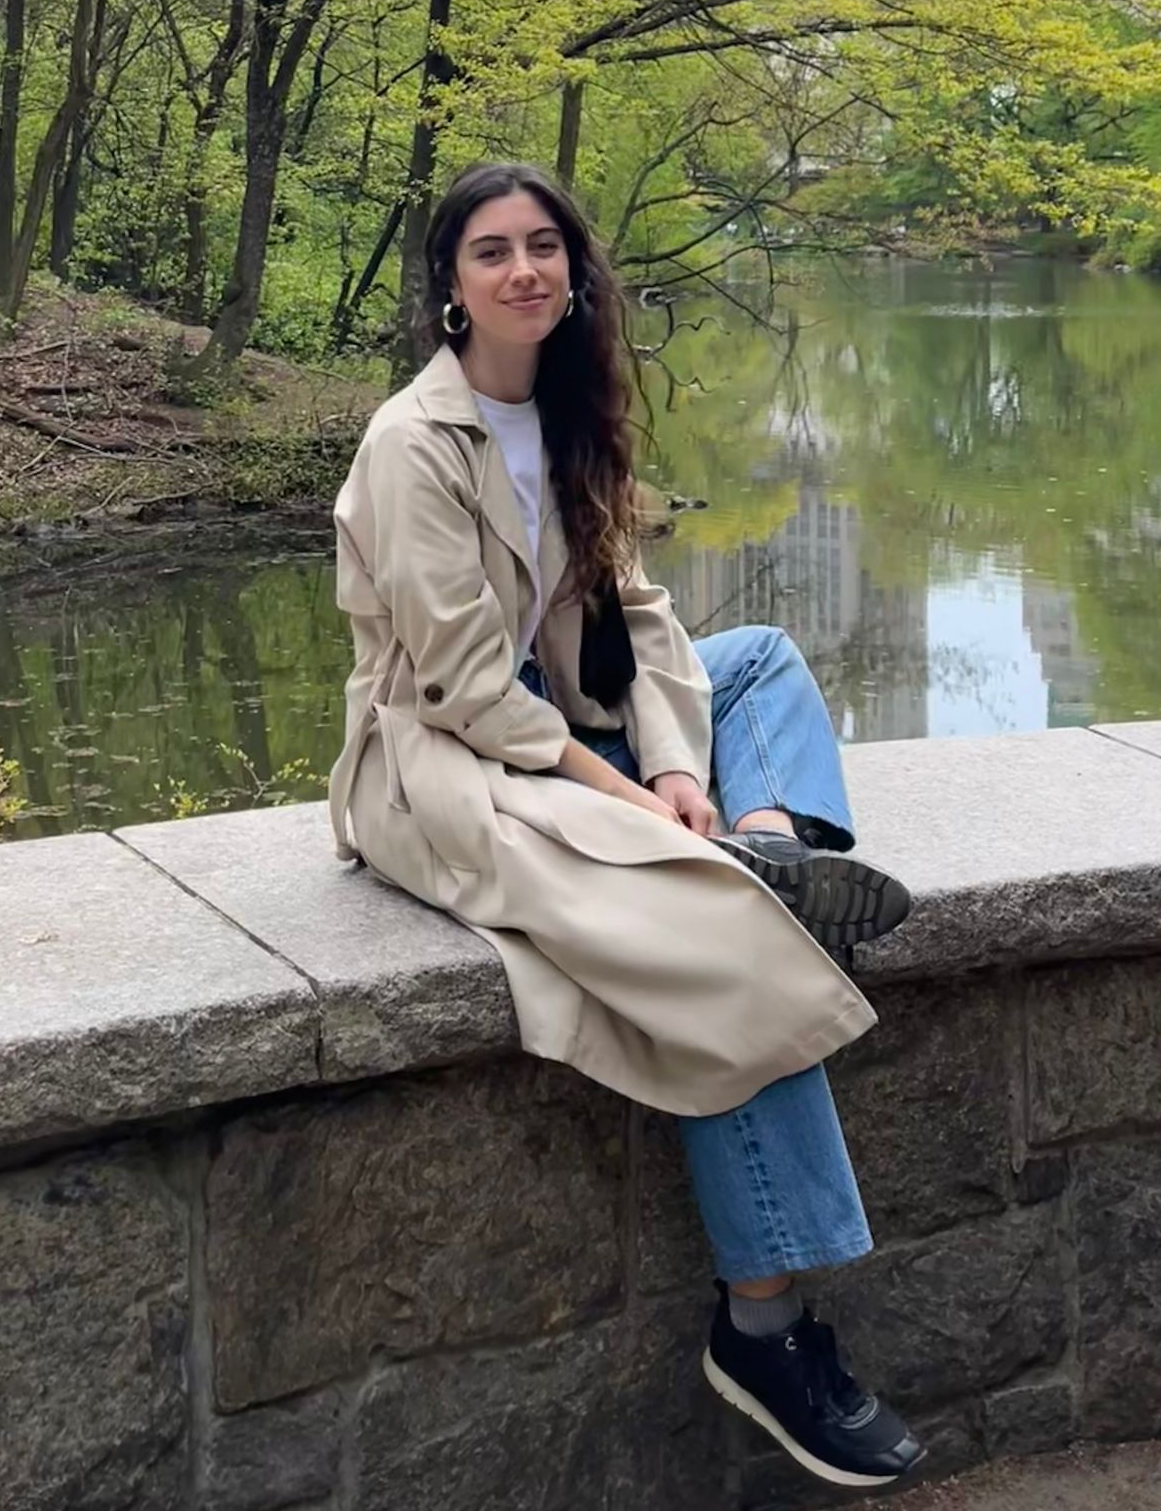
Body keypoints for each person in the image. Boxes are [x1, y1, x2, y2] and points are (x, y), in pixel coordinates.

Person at [329, 161, 923, 1491]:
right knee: (697, 924)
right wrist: (631, 797)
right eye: (493, 251)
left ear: (575, 270)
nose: (525, 269)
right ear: (451, 285)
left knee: (756, 654)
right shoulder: (412, 445)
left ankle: (765, 835)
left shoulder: (572, 406)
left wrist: (679, 768)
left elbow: (640, 613)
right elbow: (471, 694)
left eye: (546, 245)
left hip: (571, 711)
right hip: (447, 760)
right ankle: (762, 1325)